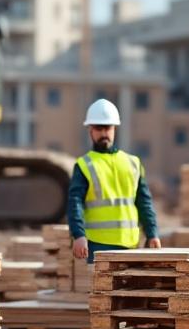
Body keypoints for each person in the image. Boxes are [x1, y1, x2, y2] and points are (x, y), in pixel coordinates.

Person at [68, 98, 160, 262]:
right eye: (98, 128)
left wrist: (152, 233)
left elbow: (144, 202)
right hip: (98, 244)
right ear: (90, 130)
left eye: (107, 127)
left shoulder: (133, 163)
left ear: (114, 128)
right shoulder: (84, 165)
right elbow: (75, 203)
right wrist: (78, 235)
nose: (104, 133)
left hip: (131, 243)